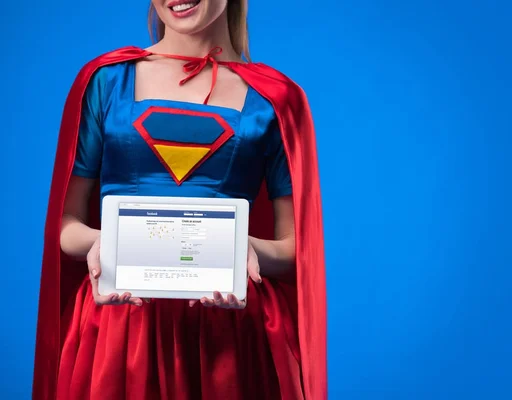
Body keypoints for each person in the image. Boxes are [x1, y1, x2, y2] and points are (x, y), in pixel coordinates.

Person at [32, 1, 326, 399]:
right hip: (120, 329)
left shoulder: (276, 99)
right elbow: (65, 226)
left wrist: (241, 248)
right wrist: (106, 244)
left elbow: (298, 251)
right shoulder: (106, 81)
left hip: (229, 336)